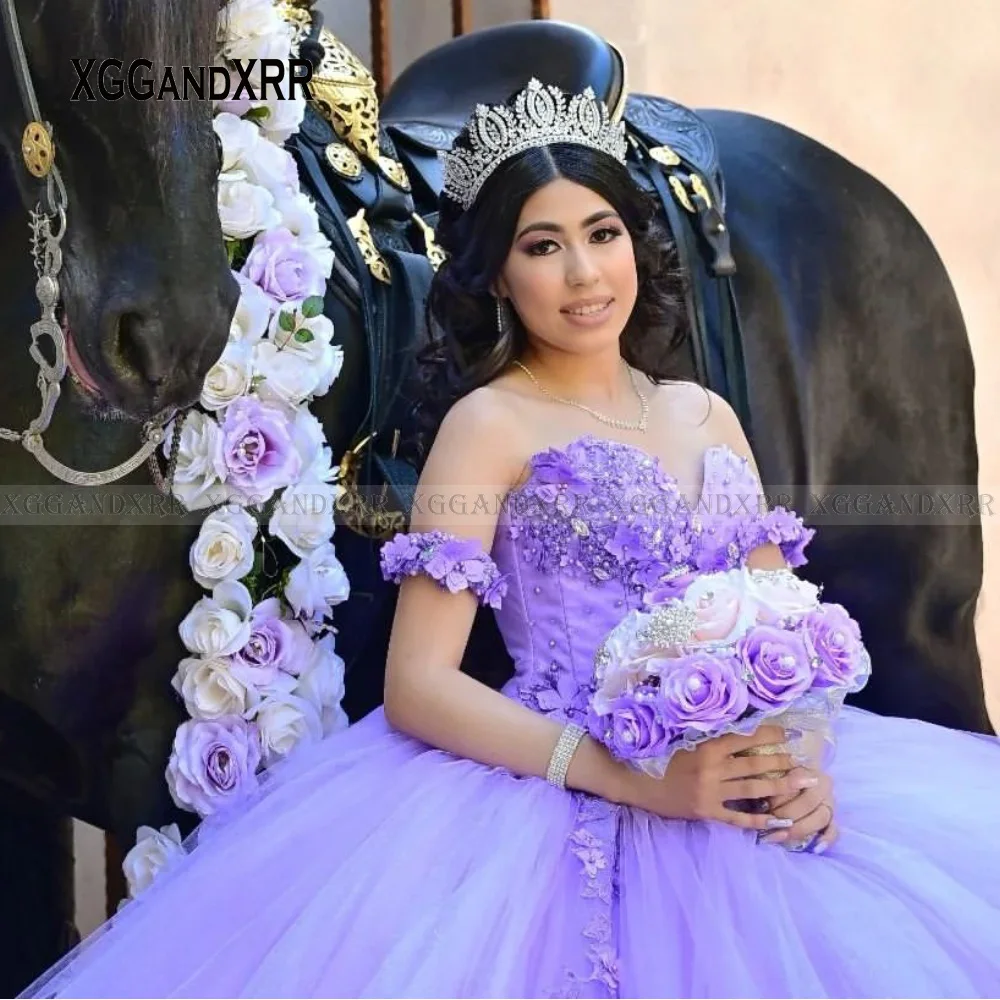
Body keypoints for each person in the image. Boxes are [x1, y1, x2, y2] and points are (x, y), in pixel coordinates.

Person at [21, 78, 1000, 1000]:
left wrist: (802, 764)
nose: (582, 274)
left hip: (740, 793)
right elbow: (421, 683)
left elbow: (778, 619)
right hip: (561, 797)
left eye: (601, 233)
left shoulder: (707, 414)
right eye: (542, 245)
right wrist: (634, 779)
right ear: (497, 270)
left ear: (635, 243)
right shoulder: (488, 427)